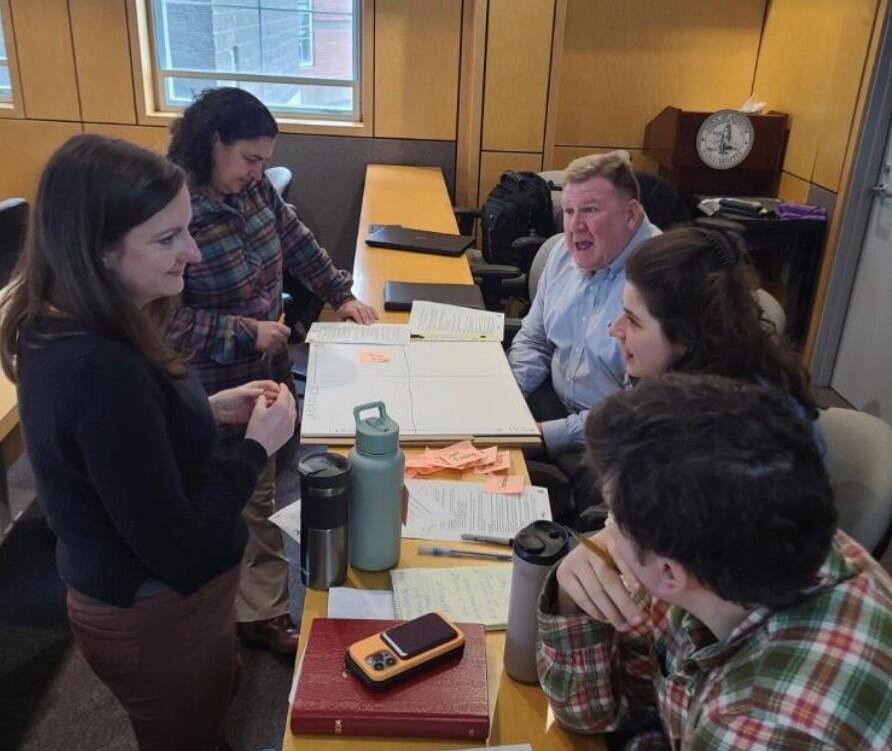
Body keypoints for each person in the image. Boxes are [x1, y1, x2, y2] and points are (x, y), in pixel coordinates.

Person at [0, 134, 297, 750]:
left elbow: (117, 445)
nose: (192, 252)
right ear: (99, 251)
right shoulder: (101, 367)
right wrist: (255, 449)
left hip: (165, 609)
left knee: (208, 707)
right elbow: (178, 546)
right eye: (167, 239)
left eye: (187, 229)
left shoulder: (81, 324)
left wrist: (210, 410)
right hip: (154, 612)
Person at [537, 374, 892, 750]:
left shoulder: (750, 725)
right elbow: (592, 712)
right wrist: (570, 596)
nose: (605, 534)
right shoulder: (743, 546)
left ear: (668, 572)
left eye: (614, 520)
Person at [165, 87, 377, 653]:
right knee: (243, 497)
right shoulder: (173, 209)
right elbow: (162, 322)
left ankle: (249, 605)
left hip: (267, 370)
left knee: (258, 490)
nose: (259, 172)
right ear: (213, 143)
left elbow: (297, 242)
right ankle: (254, 613)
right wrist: (244, 331)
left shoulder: (256, 191)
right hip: (212, 384)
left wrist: (340, 294)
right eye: (250, 158)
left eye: (265, 160)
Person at [507, 152, 661, 461]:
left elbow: (641, 408)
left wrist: (546, 436)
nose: (575, 226)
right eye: (568, 211)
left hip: (615, 438)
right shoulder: (563, 254)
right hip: (552, 402)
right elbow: (534, 339)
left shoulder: (661, 274)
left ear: (630, 215)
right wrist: (508, 398)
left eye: (590, 210)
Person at [608, 225, 821, 437]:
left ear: (685, 335)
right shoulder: (735, 365)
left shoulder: (725, 433)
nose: (615, 329)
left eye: (634, 321)